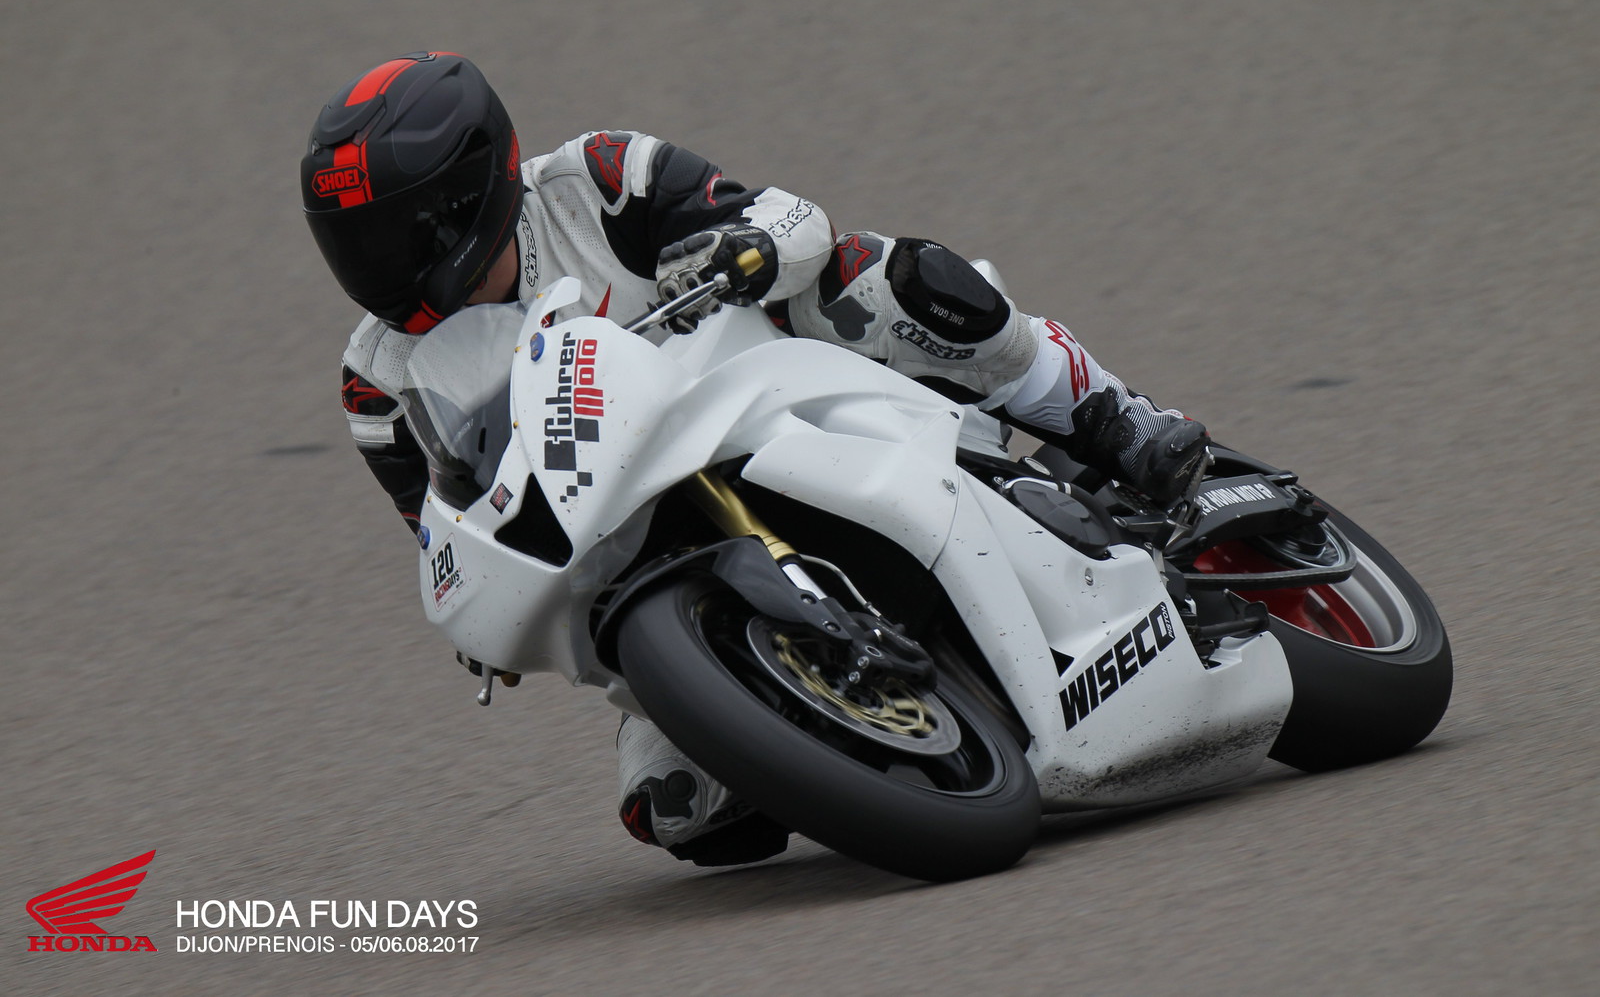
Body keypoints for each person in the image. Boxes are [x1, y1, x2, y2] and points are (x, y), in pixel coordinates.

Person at [302, 51, 1209, 866]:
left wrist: (754, 245)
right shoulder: (375, 382)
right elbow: (442, 525)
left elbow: (788, 217)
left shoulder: (599, 180)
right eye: (353, 245)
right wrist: (481, 611)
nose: (377, 269)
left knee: (877, 278)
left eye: (394, 235)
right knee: (677, 814)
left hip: (762, 400)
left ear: (469, 195)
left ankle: (1110, 415)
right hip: (622, 544)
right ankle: (811, 710)